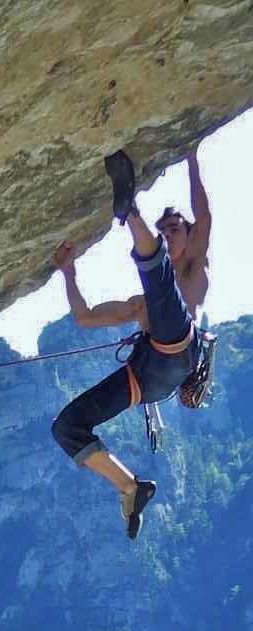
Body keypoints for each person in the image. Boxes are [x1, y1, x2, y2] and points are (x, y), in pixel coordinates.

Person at [51, 148, 211, 539]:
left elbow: (203, 216)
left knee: (159, 278)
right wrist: (69, 273)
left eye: (175, 227)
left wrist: (192, 158)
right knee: (67, 426)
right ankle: (128, 487)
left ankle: (129, 209)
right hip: (149, 378)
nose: (170, 232)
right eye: (165, 228)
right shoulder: (142, 305)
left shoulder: (193, 268)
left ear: (189, 237)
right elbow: (86, 316)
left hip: (179, 350)